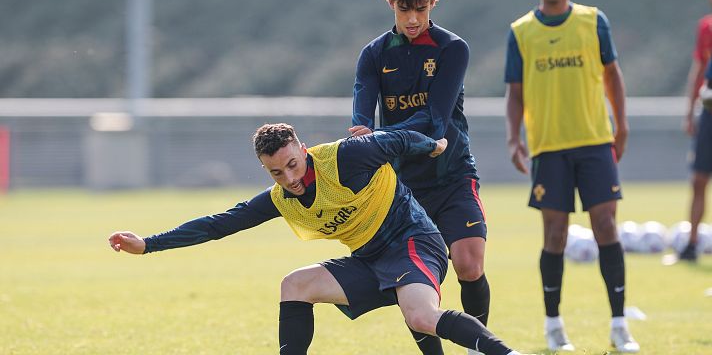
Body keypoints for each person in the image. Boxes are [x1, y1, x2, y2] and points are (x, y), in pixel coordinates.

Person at [109, 123, 525, 355]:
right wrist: (148, 244)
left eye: (293, 164)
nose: (289, 178)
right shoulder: (278, 197)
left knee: (419, 315)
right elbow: (220, 223)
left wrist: (432, 145)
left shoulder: (344, 158)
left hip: (413, 240)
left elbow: (394, 140)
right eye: (276, 172)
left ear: (303, 149)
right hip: (369, 258)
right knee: (295, 284)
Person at [350, 0, 490, 354]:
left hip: (453, 173)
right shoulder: (374, 53)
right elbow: (362, 105)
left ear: (433, 3)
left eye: (421, 9)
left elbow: (434, 119)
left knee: (469, 265)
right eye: (404, 9)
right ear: (390, 3)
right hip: (405, 187)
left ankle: (480, 346)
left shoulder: (451, 48)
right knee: (416, 280)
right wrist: (362, 129)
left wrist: (380, 135)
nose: (413, 19)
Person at [503, 0, 639, 352]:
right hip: (548, 148)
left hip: (595, 141)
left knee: (606, 227)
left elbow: (613, 75)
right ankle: (553, 325)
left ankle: (619, 325)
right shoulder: (521, 31)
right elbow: (515, 92)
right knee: (555, 235)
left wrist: (622, 124)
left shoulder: (593, 21)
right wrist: (514, 139)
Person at [679, 0, 712, 262]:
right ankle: (691, 244)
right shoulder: (706, 28)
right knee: (699, 179)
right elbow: (699, 71)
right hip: (710, 116)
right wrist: (690, 111)